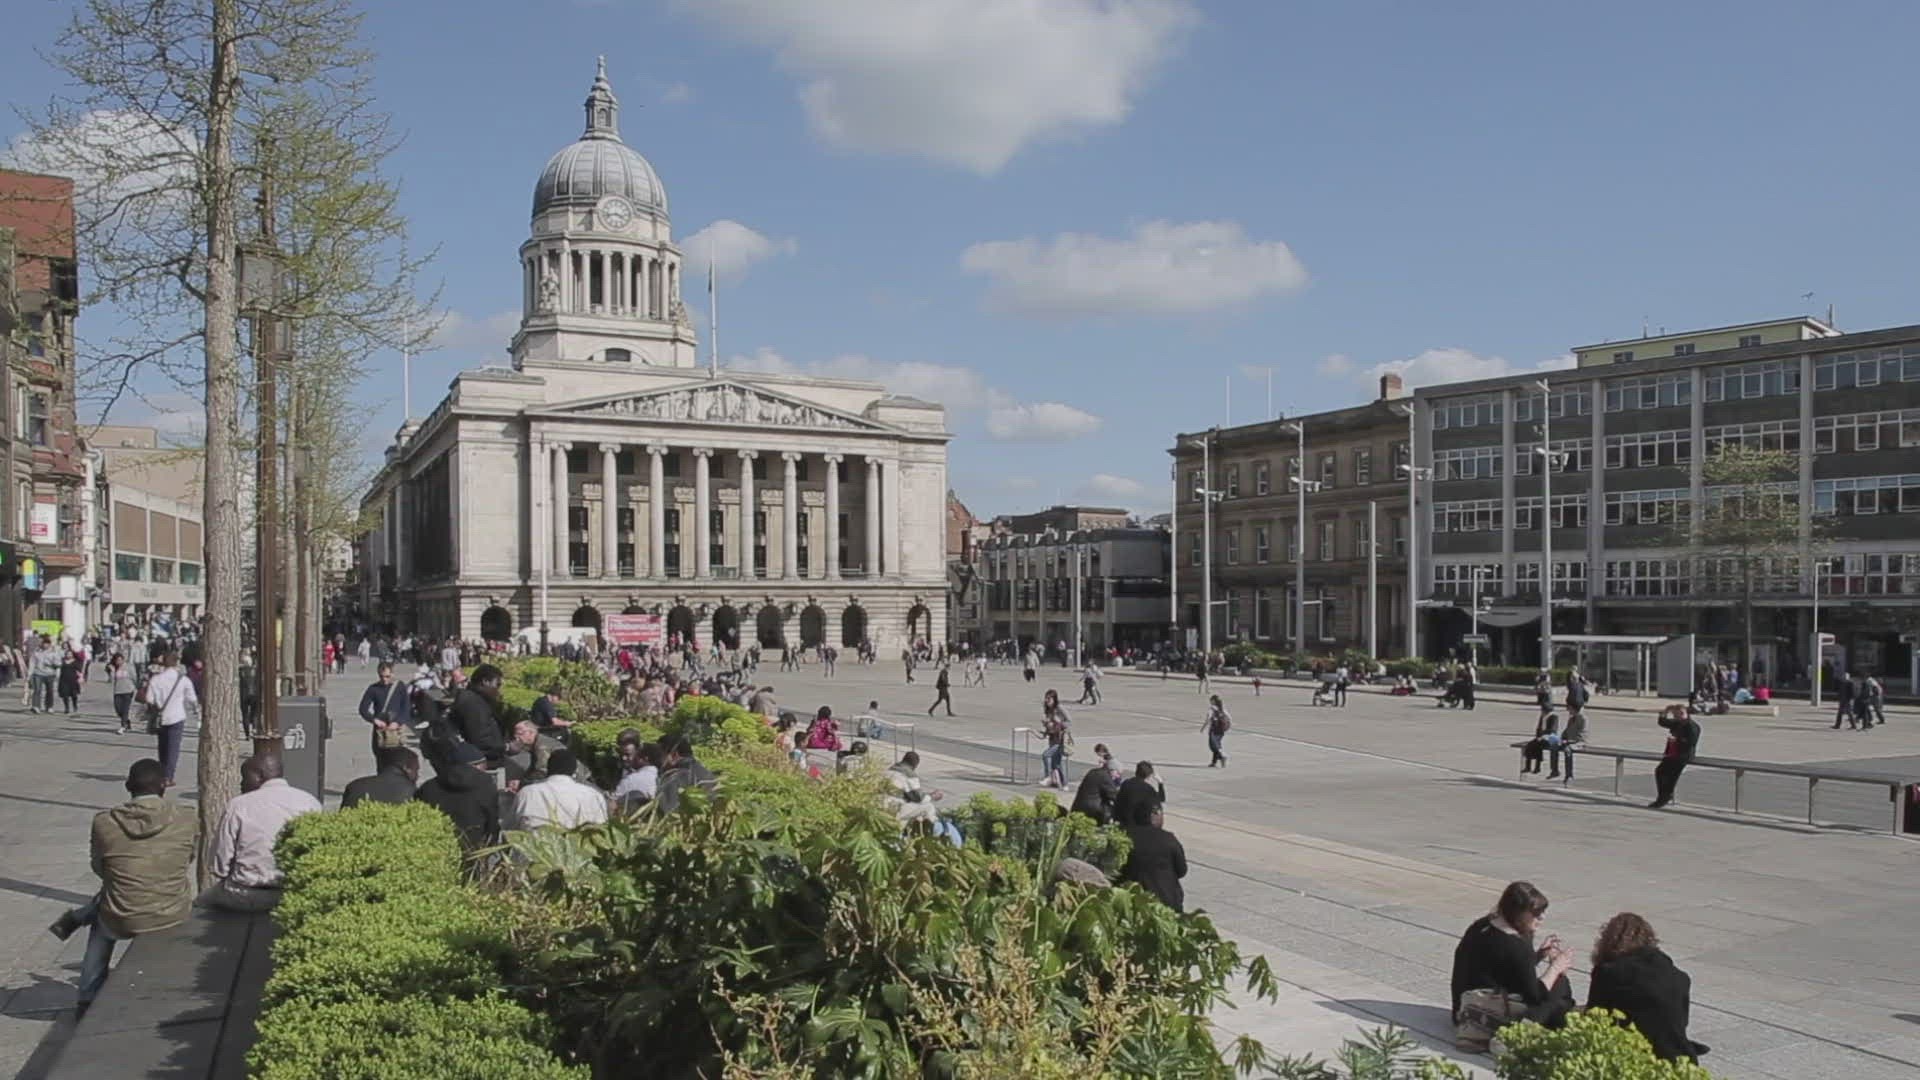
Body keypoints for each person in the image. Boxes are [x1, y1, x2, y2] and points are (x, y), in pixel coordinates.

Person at [47, 758, 197, 1012]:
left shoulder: (104, 822)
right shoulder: (187, 817)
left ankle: (87, 995)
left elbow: (100, 868)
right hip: (171, 909)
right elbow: (188, 857)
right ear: (164, 785)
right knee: (116, 892)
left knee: (104, 917)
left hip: (122, 915)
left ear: (128, 786)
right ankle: (80, 916)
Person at [1449, 881, 1574, 1051]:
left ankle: (1561, 1016)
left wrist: (1537, 956)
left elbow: (1506, 969)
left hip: (1463, 1010)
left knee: (1557, 994)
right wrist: (1556, 968)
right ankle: (1519, 1032)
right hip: (1488, 1014)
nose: (1542, 917)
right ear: (1519, 913)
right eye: (1536, 913)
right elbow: (1535, 995)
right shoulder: (1516, 945)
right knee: (1560, 984)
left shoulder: (1481, 926)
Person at [201, 753, 322, 911]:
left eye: (244, 777)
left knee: (199, 903)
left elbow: (219, 866)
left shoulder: (239, 805)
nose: (241, 784)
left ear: (259, 776)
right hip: (295, 892)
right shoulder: (310, 802)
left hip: (245, 895)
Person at [1587, 912, 1709, 1063]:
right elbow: (1678, 1021)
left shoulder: (1607, 972)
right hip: (1679, 1056)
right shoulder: (1676, 975)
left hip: (1636, 1057)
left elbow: (1595, 1018)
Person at [415, 743, 501, 854]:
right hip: (474, 849)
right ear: (475, 766)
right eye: (484, 766)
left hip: (436, 850)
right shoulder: (486, 784)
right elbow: (492, 820)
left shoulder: (427, 788)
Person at [513, 748, 608, 830]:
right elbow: (601, 829)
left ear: (548, 769)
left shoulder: (527, 793)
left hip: (535, 845)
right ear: (574, 771)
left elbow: (511, 828)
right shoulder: (593, 795)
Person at [143, 651, 198, 786]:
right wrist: (196, 710)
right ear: (177, 663)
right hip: (177, 716)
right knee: (173, 748)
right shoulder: (183, 680)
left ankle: (162, 772)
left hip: (161, 717)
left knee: (162, 746)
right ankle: (168, 776)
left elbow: (149, 698)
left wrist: (158, 703)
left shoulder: (156, 679)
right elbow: (192, 698)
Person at [1120, 803, 1187, 911]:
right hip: (1166, 901)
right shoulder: (1168, 839)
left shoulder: (1124, 837)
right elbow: (1182, 870)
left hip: (1131, 901)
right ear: (1154, 814)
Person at [886, 752, 962, 845]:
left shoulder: (891, 769)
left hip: (883, 804)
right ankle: (931, 835)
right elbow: (919, 798)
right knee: (928, 807)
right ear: (915, 764)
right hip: (895, 807)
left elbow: (910, 794)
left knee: (911, 812)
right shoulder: (909, 774)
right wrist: (933, 796)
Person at [1649, 704, 1699, 810]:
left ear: (1682, 713)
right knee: (1659, 771)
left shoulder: (1692, 726)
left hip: (1683, 755)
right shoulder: (1677, 723)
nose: (1675, 717)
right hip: (1672, 753)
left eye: (1676, 715)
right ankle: (1664, 796)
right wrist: (1665, 711)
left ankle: (1663, 798)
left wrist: (1677, 740)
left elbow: (1691, 742)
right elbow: (1662, 722)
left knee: (1671, 776)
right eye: (1674, 715)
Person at [357, 661, 412, 756]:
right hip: (380, 730)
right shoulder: (373, 688)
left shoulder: (400, 687)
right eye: (381, 676)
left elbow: (406, 707)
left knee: (398, 758)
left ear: (392, 674)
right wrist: (375, 720)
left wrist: (398, 722)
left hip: (397, 730)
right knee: (380, 757)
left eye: (387, 676)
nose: (384, 680)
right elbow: (363, 709)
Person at [655, 735, 718, 813]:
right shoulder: (707, 773)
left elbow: (668, 812)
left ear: (674, 755)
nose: (656, 759)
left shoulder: (674, 778)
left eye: (659, 755)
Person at [341, 746, 420, 808]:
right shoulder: (413, 792)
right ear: (406, 768)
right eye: (416, 770)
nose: (418, 776)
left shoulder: (355, 786)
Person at [1071, 743, 1122, 824]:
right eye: (1117, 773)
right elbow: (1114, 796)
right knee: (1114, 809)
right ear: (1112, 770)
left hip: (1078, 807)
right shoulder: (1105, 776)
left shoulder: (1093, 772)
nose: (1117, 776)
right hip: (1092, 810)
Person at [1113, 760, 1165, 829]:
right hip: (1137, 823)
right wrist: (1160, 783)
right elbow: (1161, 798)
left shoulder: (1126, 783)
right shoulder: (1148, 789)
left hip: (1122, 820)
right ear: (1149, 775)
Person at [612, 740, 660, 811]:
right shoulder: (659, 776)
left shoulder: (631, 779)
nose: (624, 758)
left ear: (645, 758)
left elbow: (613, 804)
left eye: (635, 755)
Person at [1039, 689, 1072, 788]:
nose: (1047, 701)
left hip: (1060, 739)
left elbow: (1069, 721)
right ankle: (1064, 784)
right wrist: (1046, 727)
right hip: (1052, 737)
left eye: (1049, 699)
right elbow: (1050, 724)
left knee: (1046, 755)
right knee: (1056, 763)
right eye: (1046, 698)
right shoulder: (1048, 709)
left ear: (1054, 699)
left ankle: (1048, 777)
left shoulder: (1059, 708)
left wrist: (1059, 722)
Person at [109, 654, 138, 734]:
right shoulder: (114, 668)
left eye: (120, 660)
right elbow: (111, 680)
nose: (118, 662)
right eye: (117, 660)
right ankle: (127, 721)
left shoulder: (129, 667)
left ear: (123, 660)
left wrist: (136, 687)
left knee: (125, 709)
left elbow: (134, 677)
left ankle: (123, 726)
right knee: (118, 709)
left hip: (128, 690)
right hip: (117, 691)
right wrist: (112, 671)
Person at [1203, 694, 1231, 768]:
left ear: (1213, 701)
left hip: (1214, 730)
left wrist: (1203, 727)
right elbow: (1229, 718)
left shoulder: (1212, 708)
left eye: (1211, 700)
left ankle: (1222, 756)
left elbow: (1208, 718)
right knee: (1217, 745)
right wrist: (1228, 726)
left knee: (1213, 746)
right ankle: (1214, 762)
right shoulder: (1222, 708)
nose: (1210, 701)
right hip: (1221, 730)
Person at [58, 648, 83, 714]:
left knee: (74, 695)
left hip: (73, 680)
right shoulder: (62, 661)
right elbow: (58, 668)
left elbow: (79, 671)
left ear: (72, 655)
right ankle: (67, 708)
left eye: (70, 654)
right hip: (63, 680)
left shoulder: (75, 662)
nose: (68, 655)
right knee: (65, 695)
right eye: (67, 654)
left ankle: (75, 706)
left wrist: (80, 678)